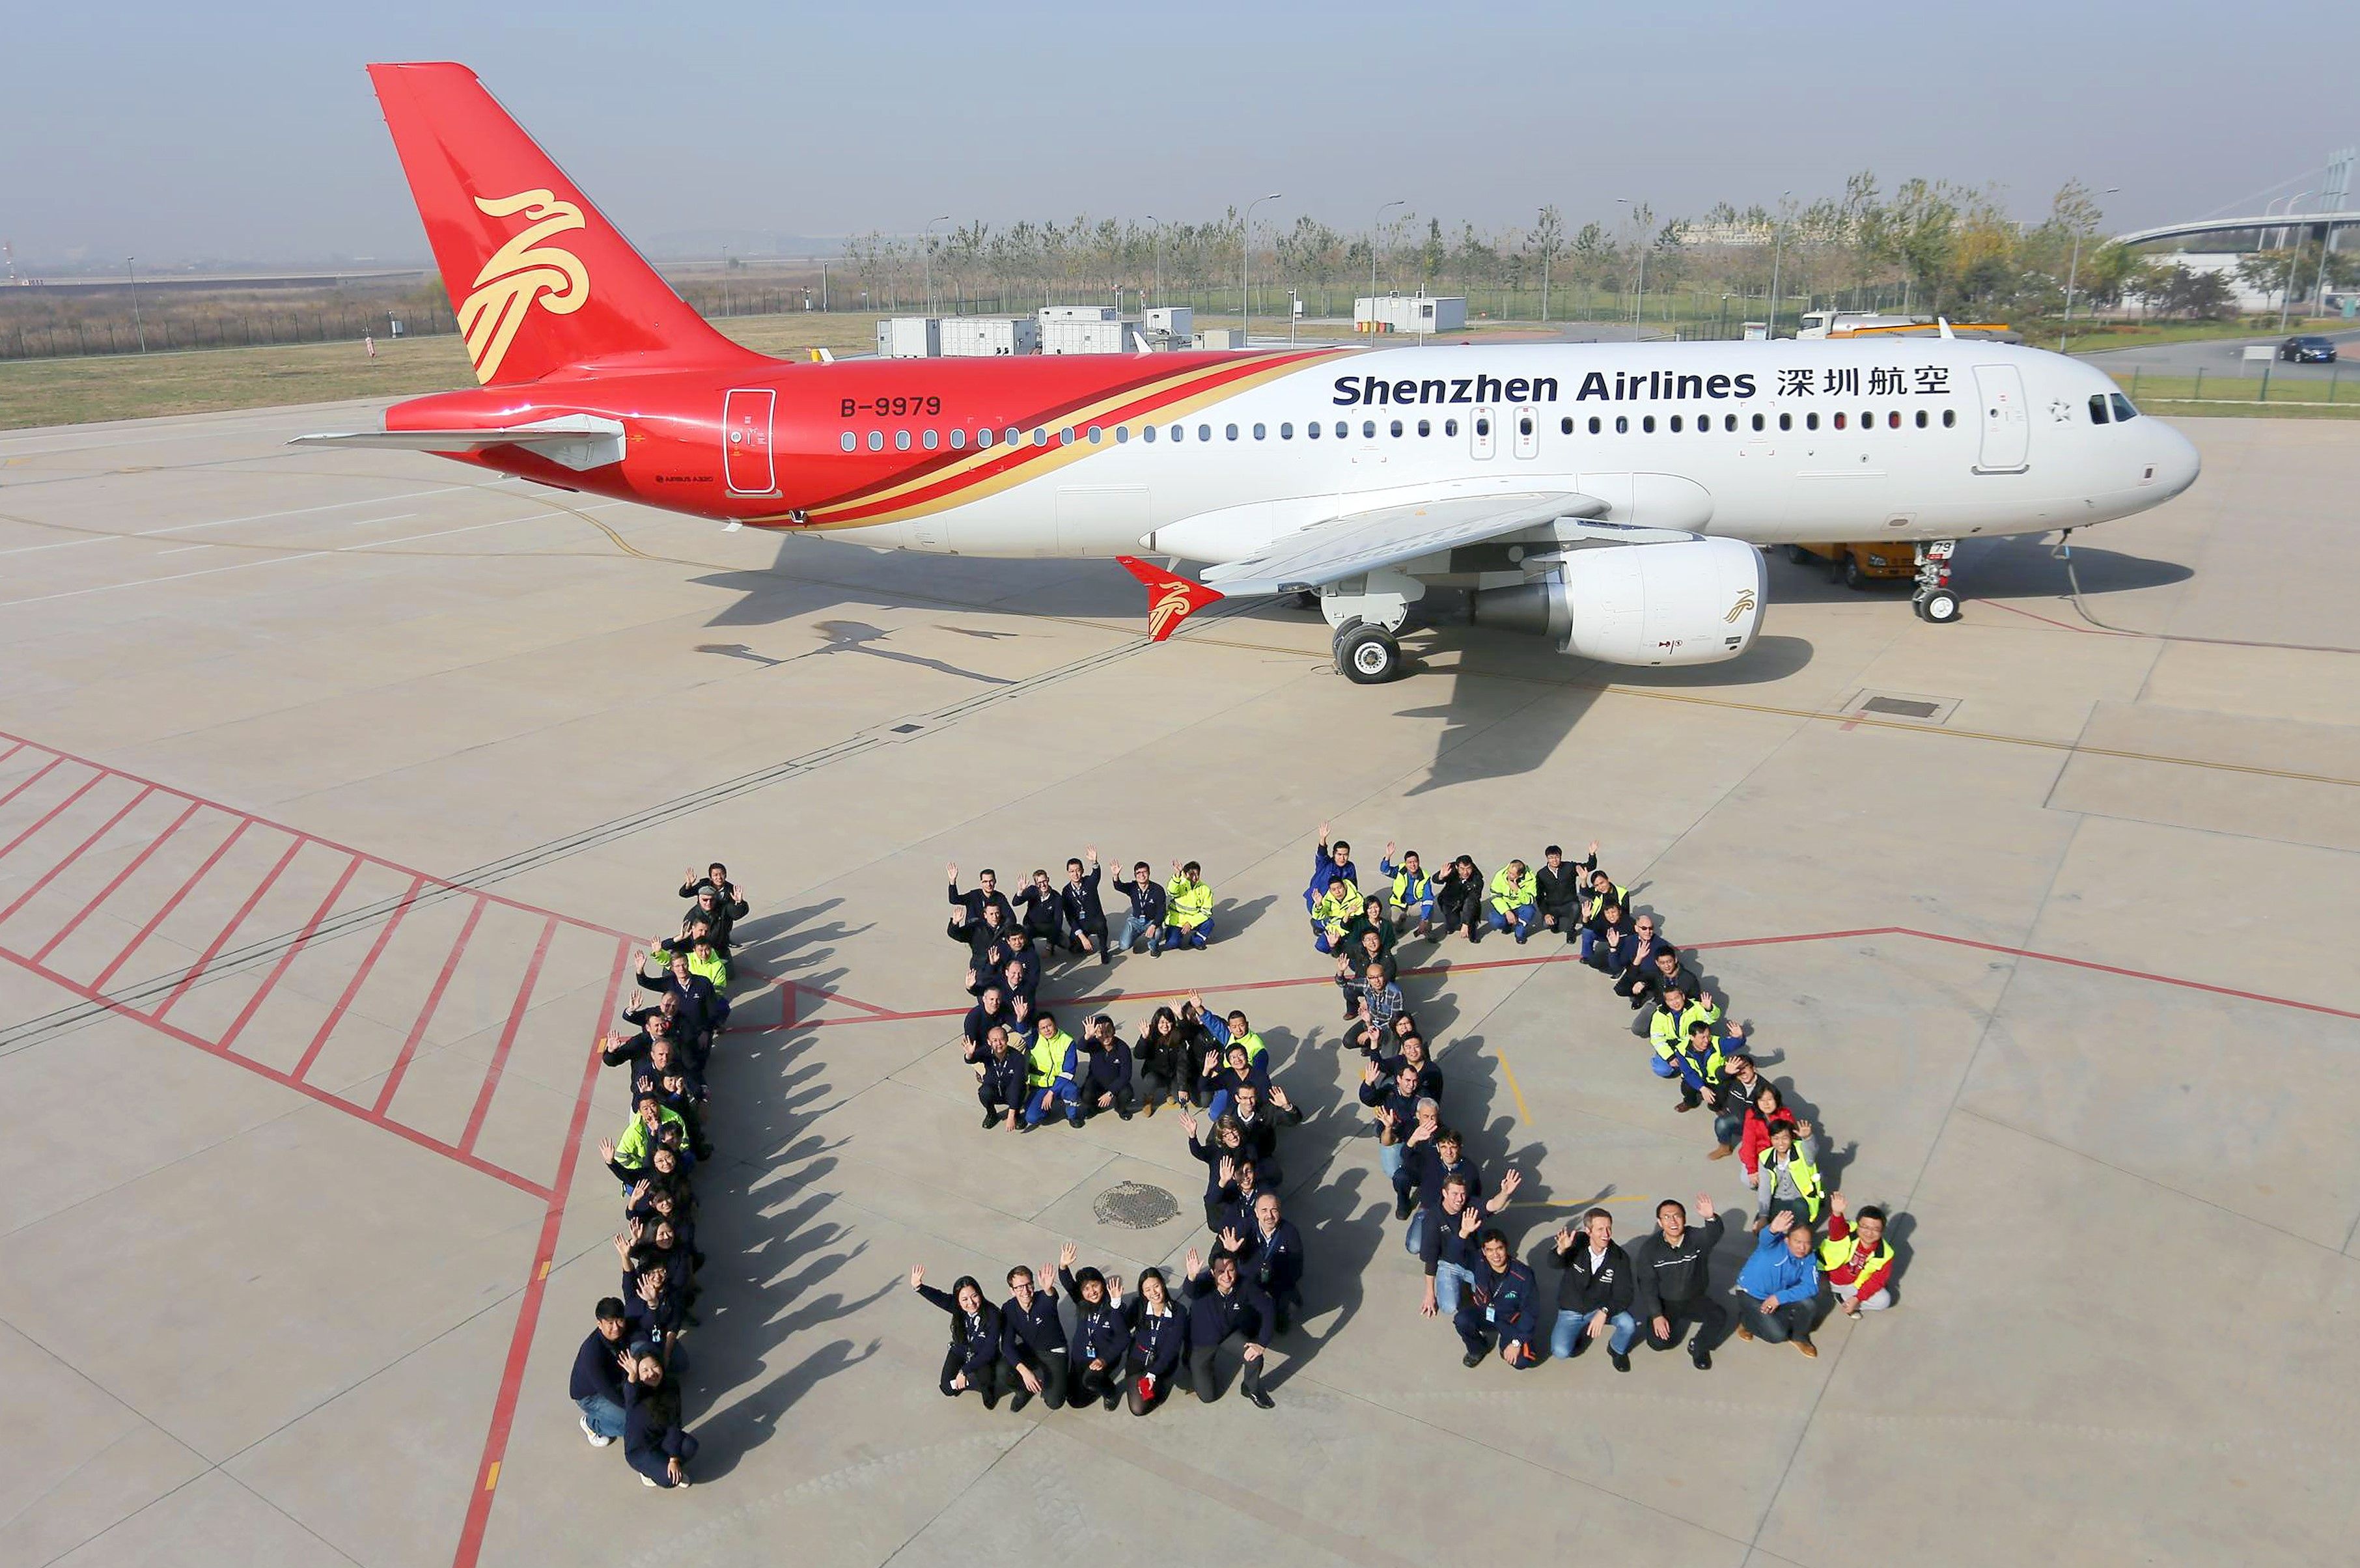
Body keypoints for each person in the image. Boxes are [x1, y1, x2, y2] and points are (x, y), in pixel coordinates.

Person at [1633, 1195, 1728, 1369]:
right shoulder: (1649, 1250)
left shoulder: (1696, 1238)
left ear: (1684, 1219)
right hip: (1666, 1304)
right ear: (1660, 1222)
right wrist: (1657, 1315)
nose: (1673, 1221)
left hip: (1694, 1298)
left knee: (1719, 1316)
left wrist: (1710, 1218)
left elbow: (1714, 1234)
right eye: (1667, 1217)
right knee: (1658, 1344)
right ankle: (1660, 1323)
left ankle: (1699, 1347)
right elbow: (1647, 1285)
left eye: (1677, 1216)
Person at [1180, 1247, 1275, 1408]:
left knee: (1255, 1358)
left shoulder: (1244, 1285)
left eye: (1231, 1270)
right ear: (1213, 1273)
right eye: (1221, 1271)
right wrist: (1191, 1277)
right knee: (1208, 1397)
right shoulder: (1204, 1284)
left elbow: (1268, 1309)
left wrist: (1262, 1343)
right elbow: (1190, 1291)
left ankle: (1250, 1388)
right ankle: (1191, 1358)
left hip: (1228, 1335)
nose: (1227, 1276)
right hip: (1202, 1341)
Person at [1420, 1169, 1521, 1319]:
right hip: (1449, 1263)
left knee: (1494, 1294)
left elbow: (1493, 1205)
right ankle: (1464, 1290)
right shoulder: (1432, 1220)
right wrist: (1430, 1294)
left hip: (1474, 1261)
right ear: (1445, 1193)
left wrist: (1505, 1193)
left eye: (1462, 1194)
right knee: (1448, 1306)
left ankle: (1473, 1289)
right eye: (1455, 1194)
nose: (1460, 1199)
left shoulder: (1470, 1204)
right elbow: (1431, 1260)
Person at [1550, 1207, 1639, 1369]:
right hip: (1572, 1310)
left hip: (1600, 1307)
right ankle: (1575, 1336)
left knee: (1628, 1324)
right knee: (1560, 1352)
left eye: (1609, 1228)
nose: (1606, 1234)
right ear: (1588, 1231)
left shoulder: (1620, 1257)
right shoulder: (1575, 1244)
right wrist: (1561, 1250)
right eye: (1600, 1229)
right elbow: (1554, 1264)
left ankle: (1617, 1350)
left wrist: (1604, 1311)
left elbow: (1625, 1294)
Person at [910, 1266, 1012, 1404]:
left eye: (974, 1296)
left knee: (986, 1378)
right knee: (947, 1388)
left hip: (981, 1355)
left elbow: (988, 1351)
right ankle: (963, 1381)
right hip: (961, 1350)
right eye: (964, 1299)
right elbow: (940, 1298)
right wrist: (919, 1287)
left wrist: (964, 1371)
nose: (971, 1303)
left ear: (980, 1294)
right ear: (958, 1301)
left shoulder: (993, 1315)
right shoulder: (958, 1308)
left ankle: (988, 1389)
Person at [1733, 1211, 1822, 1357]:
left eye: (1807, 1243)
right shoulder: (1773, 1245)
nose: (1802, 1248)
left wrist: (1778, 1298)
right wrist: (1773, 1229)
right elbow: (1765, 1237)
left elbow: (1811, 1286)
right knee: (1777, 1335)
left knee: (1809, 1306)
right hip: (1750, 1294)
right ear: (1787, 1240)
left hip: (1776, 1294)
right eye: (1798, 1242)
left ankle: (1799, 1337)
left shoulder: (1809, 1258)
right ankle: (1746, 1321)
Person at [1455, 1228, 1542, 1369]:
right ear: (1483, 1252)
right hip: (1485, 1313)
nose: (1495, 1255)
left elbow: (1531, 1312)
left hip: (1510, 1321)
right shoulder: (1479, 1262)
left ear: (1506, 1248)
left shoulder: (1523, 1276)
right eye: (1490, 1250)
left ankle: (1507, 1343)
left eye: (1499, 1249)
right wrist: (1463, 1233)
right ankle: (1478, 1349)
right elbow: (1455, 1254)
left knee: (1522, 1362)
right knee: (1462, 1320)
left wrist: (1516, 1343)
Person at [1058, 1246, 1130, 1410]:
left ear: (1102, 1285)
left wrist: (1104, 1359)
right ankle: (1088, 1382)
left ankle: (1110, 1393)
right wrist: (1063, 1266)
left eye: (1095, 1285)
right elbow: (1069, 1285)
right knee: (1073, 1399)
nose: (1092, 1292)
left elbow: (1123, 1338)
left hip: (1102, 1358)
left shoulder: (1114, 1306)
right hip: (1080, 1358)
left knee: (1090, 1382)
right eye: (1086, 1288)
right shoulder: (1083, 1303)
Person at [1225, 1190, 1306, 1333]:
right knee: (1249, 1330)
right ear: (1256, 1213)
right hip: (1251, 1285)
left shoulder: (1290, 1233)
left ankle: (1285, 1307)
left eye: (1274, 1210)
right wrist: (1232, 1251)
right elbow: (1228, 1261)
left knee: (1281, 1328)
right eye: (1264, 1210)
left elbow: (1296, 1270)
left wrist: (1273, 1291)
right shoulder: (1245, 1228)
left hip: (1278, 1285)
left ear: (1279, 1212)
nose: (1269, 1216)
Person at [622, 1351, 697, 1488]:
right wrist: (632, 1377)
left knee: (690, 1446)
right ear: (638, 1375)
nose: (651, 1373)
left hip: (662, 1439)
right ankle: (648, 1472)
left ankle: (668, 1466)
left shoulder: (671, 1386)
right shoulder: (636, 1393)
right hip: (641, 1449)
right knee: (669, 1481)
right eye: (644, 1370)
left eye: (655, 1366)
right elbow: (630, 1393)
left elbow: (674, 1424)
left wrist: (674, 1460)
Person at [999, 1261, 1066, 1412]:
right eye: (1019, 1287)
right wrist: (1025, 1372)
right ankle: (1023, 1391)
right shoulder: (1008, 1309)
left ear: (1034, 1285)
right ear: (1012, 1291)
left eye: (1029, 1285)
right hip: (1031, 1350)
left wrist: (1049, 1289)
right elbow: (1007, 1345)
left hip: (1054, 1353)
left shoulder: (1044, 1299)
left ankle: (1060, 1377)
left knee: (1054, 1403)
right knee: (1003, 1369)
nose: (1025, 1291)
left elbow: (1051, 1297)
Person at [1401, 1124, 1480, 1252]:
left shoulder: (1470, 1170)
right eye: (1444, 1147)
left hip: (1455, 1215)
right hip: (1429, 1211)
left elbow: (1475, 1196)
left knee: (1458, 1249)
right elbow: (1406, 1156)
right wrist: (1413, 1139)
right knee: (1414, 1247)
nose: (1448, 1152)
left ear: (1460, 1148)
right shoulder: (1429, 1159)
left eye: (1453, 1147)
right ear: (1438, 1148)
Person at [1122, 1268, 1188, 1415]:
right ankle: (1149, 1385)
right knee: (1137, 1408)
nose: (1154, 1292)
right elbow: (1121, 1330)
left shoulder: (1179, 1311)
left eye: (1156, 1286)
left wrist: (1152, 1373)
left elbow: (1172, 1348)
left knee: (1143, 1405)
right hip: (1138, 1358)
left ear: (1163, 1284)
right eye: (1148, 1289)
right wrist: (1115, 1305)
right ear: (1143, 1293)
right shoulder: (1139, 1306)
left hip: (1162, 1362)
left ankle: (1161, 1386)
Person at [570, 1297, 633, 1446]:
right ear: (600, 1324)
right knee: (630, 1423)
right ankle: (592, 1425)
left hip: (617, 1380)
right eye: (610, 1323)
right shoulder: (593, 1353)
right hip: (592, 1395)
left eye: (619, 1321)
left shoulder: (626, 1330)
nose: (616, 1327)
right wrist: (633, 1408)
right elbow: (606, 1390)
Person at [1818, 1194, 1895, 1316]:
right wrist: (1837, 1214)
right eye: (1865, 1227)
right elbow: (1836, 1229)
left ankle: (1845, 1299)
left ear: (1882, 1231)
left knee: (1884, 1301)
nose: (1869, 1233)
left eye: (1876, 1229)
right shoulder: (1848, 1231)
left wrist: (1858, 1299)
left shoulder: (1886, 1253)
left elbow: (1877, 1280)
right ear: (1858, 1225)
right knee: (1810, 1295)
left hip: (1851, 1286)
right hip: (1825, 1276)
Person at [1749, 1117, 1824, 1233]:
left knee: (1795, 1232)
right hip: (1778, 1199)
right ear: (1771, 1139)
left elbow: (1812, 1152)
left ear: (1792, 1138)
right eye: (1776, 1138)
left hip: (1800, 1200)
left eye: (1785, 1138)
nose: (1781, 1143)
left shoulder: (1801, 1149)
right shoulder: (1765, 1157)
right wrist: (1763, 1216)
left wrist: (1808, 1138)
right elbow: (1765, 1188)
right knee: (1761, 1229)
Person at [1022, 1010, 1083, 1129]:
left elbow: (1068, 1072)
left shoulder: (1067, 1041)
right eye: (1043, 1028)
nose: (1047, 1030)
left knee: (1072, 1090)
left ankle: (1072, 1116)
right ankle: (1045, 1110)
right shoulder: (1034, 1039)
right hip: (1040, 1086)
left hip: (1060, 1083)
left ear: (1055, 1024)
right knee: (1032, 1117)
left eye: (1049, 1026)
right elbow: (1022, 1031)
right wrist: (1020, 1020)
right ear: (1038, 1030)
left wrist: (1052, 1092)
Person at [1738, 1082, 1799, 1192]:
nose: (1766, 1104)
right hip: (1760, 1155)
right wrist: (1753, 1171)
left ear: (1776, 1099)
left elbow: (1794, 1140)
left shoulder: (1785, 1114)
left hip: (1781, 1153)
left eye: (1770, 1100)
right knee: (1748, 1180)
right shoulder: (1751, 1116)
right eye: (1762, 1100)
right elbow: (1748, 1144)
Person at [1133, 1006, 1193, 1114]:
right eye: (1161, 1022)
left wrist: (1182, 1087)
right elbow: (1138, 1055)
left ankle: (1170, 1092)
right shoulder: (1150, 1034)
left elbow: (1182, 1063)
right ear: (1156, 1023)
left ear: (1172, 1023)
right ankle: (1148, 1099)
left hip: (1173, 1075)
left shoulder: (1178, 1036)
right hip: (1155, 1074)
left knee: (1181, 1099)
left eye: (1168, 1022)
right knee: (1150, 1081)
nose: (1165, 1026)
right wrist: (1144, 1039)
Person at [1535, 841, 1597, 942]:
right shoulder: (1542, 874)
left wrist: (1592, 854)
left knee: (1576, 907)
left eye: (1557, 857)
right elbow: (1540, 896)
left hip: (1569, 904)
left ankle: (1571, 930)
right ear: (1547, 858)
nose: (1554, 860)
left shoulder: (1570, 867)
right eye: (1551, 857)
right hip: (1553, 906)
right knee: (1547, 925)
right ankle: (1555, 923)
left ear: (1560, 857)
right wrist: (1546, 914)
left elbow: (1591, 866)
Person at [1710, 1052, 1768, 1161]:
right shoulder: (1733, 1080)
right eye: (1738, 1069)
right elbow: (1719, 1075)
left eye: (1745, 1067)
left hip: (1755, 1124)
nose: (1742, 1072)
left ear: (1754, 1068)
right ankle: (1725, 1148)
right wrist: (1726, 1071)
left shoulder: (1766, 1089)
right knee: (1721, 1123)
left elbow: (1776, 1112)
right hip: (1736, 1117)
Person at [1079, 1013, 1137, 1120]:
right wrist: (1087, 1036)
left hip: (1116, 1082)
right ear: (1096, 1034)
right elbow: (1081, 1047)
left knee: (1127, 1094)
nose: (1105, 1036)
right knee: (1085, 1095)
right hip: (1097, 1081)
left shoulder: (1123, 1048)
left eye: (1108, 1031)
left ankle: (1121, 1109)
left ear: (1114, 1031)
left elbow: (1126, 1076)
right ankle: (1094, 1108)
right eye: (1101, 1033)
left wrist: (1110, 1093)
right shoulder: (1094, 1043)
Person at [1058, 849, 1111, 963]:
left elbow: (1096, 875)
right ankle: (1084, 942)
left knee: (1101, 925)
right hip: (1081, 924)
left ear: (1082, 871)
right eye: (1072, 871)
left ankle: (1104, 950)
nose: (1075, 874)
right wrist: (1082, 938)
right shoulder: (1066, 891)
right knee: (1074, 949)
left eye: (1078, 870)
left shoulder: (1089, 882)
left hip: (1095, 920)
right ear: (1068, 873)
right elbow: (1069, 916)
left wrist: (1095, 862)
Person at [1379, 842, 1437, 937]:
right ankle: (1399, 925)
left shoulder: (1425, 877)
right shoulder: (1400, 870)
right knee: (1391, 921)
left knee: (1429, 908)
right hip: (1399, 905)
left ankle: (1427, 930)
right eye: (1410, 862)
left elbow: (1428, 899)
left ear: (1419, 862)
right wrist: (1387, 857)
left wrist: (1424, 920)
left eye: (1415, 862)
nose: (1413, 865)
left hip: (1414, 906)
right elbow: (1384, 870)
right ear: (1405, 864)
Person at [945, 863, 1012, 943]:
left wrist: (999, 930)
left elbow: (1011, 918)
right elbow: (954, 900)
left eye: (991, 881)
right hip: (975, 935)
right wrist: (952, 881)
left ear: (995, 881)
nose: (989, 884)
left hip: (993, 935)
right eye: (985, 882)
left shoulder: (1000, 897)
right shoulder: (973, 895)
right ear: (981, 883)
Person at [1112, 860, 1167, 956]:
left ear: (1149, 873)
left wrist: (1154, 925)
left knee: (1158, 932)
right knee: (1124, 946)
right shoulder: (1132, 887)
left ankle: (1154, 947)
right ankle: (1133, 937)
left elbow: (1162, 912)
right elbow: (1119, 886)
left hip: (1151, 921)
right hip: (1135, 920)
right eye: (1138, 873)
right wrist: (1116, 876)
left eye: (1144, 872)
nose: (1142, 875)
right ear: (1135, 875)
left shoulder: (1158, 890)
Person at [977, 1025, 1027, 1131]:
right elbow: (971, 1059)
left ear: (1007, 1040)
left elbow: (1016, 1086)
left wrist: (1011, 1115)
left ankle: (1017, 1114)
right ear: (989, 1042)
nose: (998, 1044)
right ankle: (991, 1114)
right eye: (994, 1040)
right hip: (995, 1091)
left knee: (1019, 1090)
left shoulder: (1018, 1058)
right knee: (984, 1092)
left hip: (1011, 1092)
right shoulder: (986, 1052)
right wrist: (969, 1055)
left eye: (1002, 1040)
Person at [1303, 822, 1357, 912]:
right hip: (1317, 902)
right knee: (1329, 924)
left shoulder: (1350, 867)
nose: (1342, 858)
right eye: (1339, 854)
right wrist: (1323, 839)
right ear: (1334, 854)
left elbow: (1353, 887)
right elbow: (1322, 853)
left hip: (1336, 904)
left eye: (1345, 855)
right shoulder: (1325, 863)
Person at [1486, 858, 1540, 944]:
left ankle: (1519, 932)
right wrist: (1507, 911)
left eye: (1512, 874)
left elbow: (1529, 900)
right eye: (1509, 871)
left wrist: (1517, 890)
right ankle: (1507, 925)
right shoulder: (1500, 875)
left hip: (1520, 906)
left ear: (1521, 875)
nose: (1508, 875)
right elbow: (1495, 896)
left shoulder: (1531, 879)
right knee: (1495, 920)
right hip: (1506, 906)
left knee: (1530, 911)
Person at [1434, 854, 1486, 942]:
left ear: (1472, 867)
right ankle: (1451, 925)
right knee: (1453, 922)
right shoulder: (1449, 869)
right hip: (1450, 900)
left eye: (1468, 868)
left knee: (1472, 914)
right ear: (1457, 867)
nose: (1465, 872)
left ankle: (1472, 933)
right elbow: (1435, 880)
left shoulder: (1477, 880)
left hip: (1468, 901)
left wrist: (1466, 923)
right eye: (1462, 869)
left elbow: (1472, 901)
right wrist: (1441, 876)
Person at [1165, 859, 1214, 949]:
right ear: (1185, 874)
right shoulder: (1180, 884)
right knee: (1172, 944)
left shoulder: (1205, 889)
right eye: (1192, 874)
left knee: (1209, 923)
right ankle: (1173, 934)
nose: (1195, 878)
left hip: (1193, 921)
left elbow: (1206, 912)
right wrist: (1177, 875)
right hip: (1178, 921)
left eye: (1197, 874)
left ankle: (1196, 940)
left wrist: (1190, 923)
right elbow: (1171, 892)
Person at [1012, 868, 1065, 949]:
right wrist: (1020, 892)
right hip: (1031, 926)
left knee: (1066, 943)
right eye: (1039, 883)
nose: (1043, 885)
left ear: (1048, 880)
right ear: (1036, 884)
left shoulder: (1057, 897)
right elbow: (1015, 903)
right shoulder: (1032, 891)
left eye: (1044, 881)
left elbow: (1058, 922)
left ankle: (1051, 946)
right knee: (1025, 939)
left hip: (1048, 927)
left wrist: (1050, 944)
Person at [1309, 874, 1362, 956]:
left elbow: (1358, 915)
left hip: (1349, 928)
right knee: (1321, 946)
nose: (1337, 892)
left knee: (1351, 952)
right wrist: (1318, 904)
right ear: (1330, 891)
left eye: (1339, 888)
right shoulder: (1328, 898)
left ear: (1344, 886)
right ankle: (1320, 927)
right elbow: (1319, 915)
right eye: (1334, 890)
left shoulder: (1357, 898)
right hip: (1333, 928)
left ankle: (1337, 947)